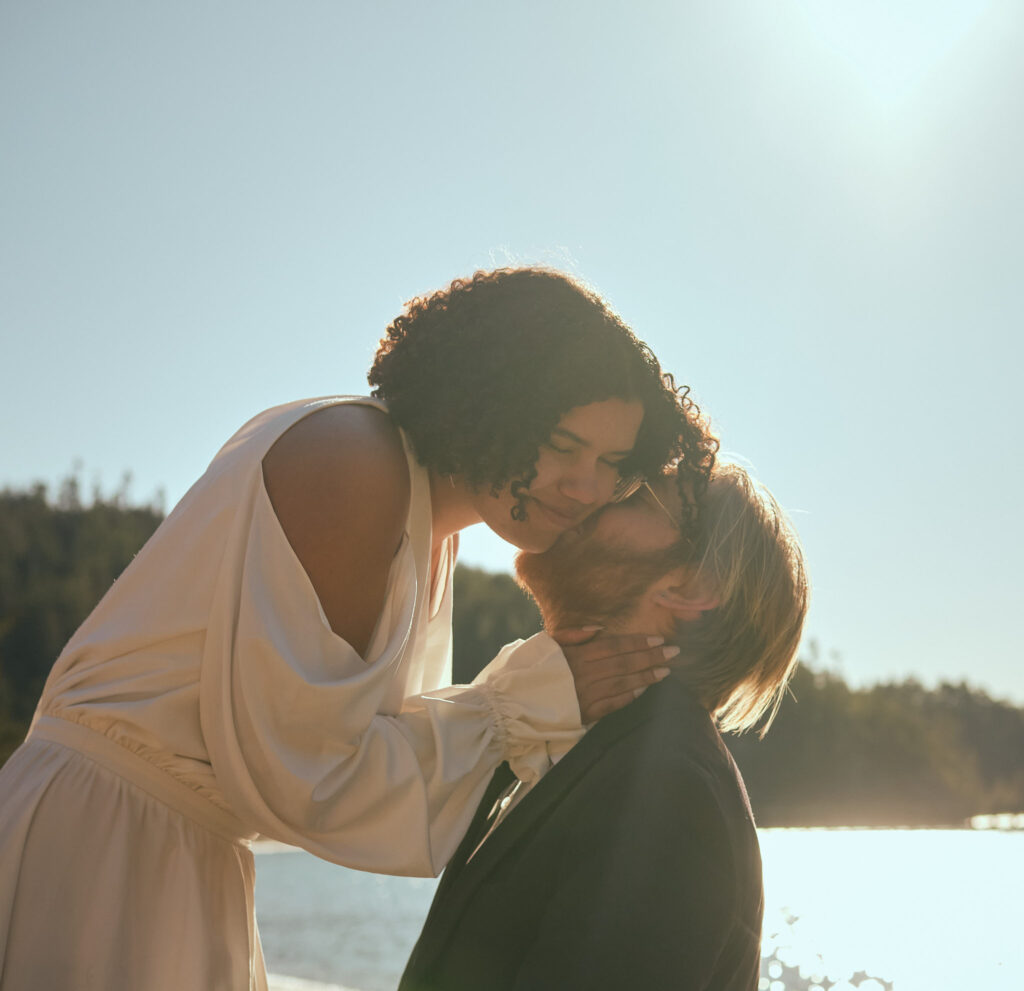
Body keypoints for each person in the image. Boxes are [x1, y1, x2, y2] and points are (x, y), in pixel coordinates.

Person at [0, 268, 716, 990]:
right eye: (563, 445)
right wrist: (524, 704)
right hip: (101, 849)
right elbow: (304, 774)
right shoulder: (356, 459)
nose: (586, 487)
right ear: (493, 398)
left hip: (178, 855)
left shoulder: (431, 528)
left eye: (611, 464)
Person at [400, 461, 809, 991]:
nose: (587, 496)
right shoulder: (567, 742)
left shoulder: (667, 796)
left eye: (632, 493)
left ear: (689, 586)